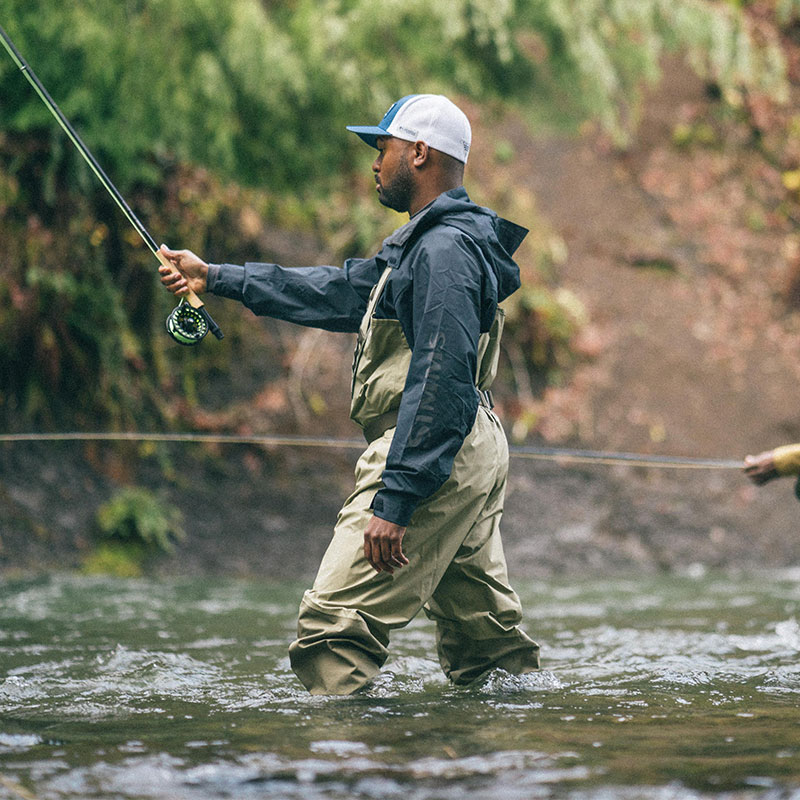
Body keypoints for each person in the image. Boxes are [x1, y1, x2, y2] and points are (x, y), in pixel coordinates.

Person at [159, 93, 541, 694]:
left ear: (418, 153)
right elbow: (336, 292)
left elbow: (440, 375)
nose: (373, 163)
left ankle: (346, 769)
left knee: (332, 632)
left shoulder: (443, 251)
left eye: (382, 148)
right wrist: (217, 277)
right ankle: (497, 762)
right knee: (485, 647)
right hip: (464, 448)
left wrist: (396, 499)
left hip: (433, 450)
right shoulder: (429, 246)